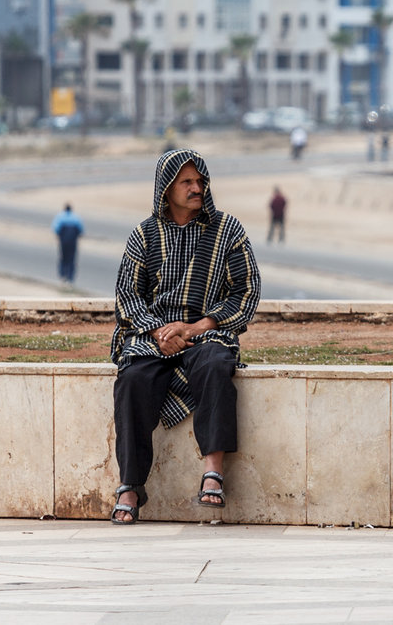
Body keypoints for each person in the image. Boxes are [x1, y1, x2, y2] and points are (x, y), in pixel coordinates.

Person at [109, 149, 261, 524]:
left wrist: (194, 328)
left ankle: (213, 472)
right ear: (166, 188)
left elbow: (246, 292)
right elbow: (127, 296)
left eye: (200, 181)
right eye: (187, 182)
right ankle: (130, 485)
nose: (197, 188)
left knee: (214, 366)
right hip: (153, 334)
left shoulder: (228, 231)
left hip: (206, 332)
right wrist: (161, 331)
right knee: (132, 380)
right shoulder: (144, 234)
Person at [52, 203, 84, 284]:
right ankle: (70, 277)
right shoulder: (76, 217)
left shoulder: (60, 216)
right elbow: (81, 230)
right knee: (71, 259)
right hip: (73, 241)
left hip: (63, 240)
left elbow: (56, 229)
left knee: (63, 258)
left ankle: (63, 275)